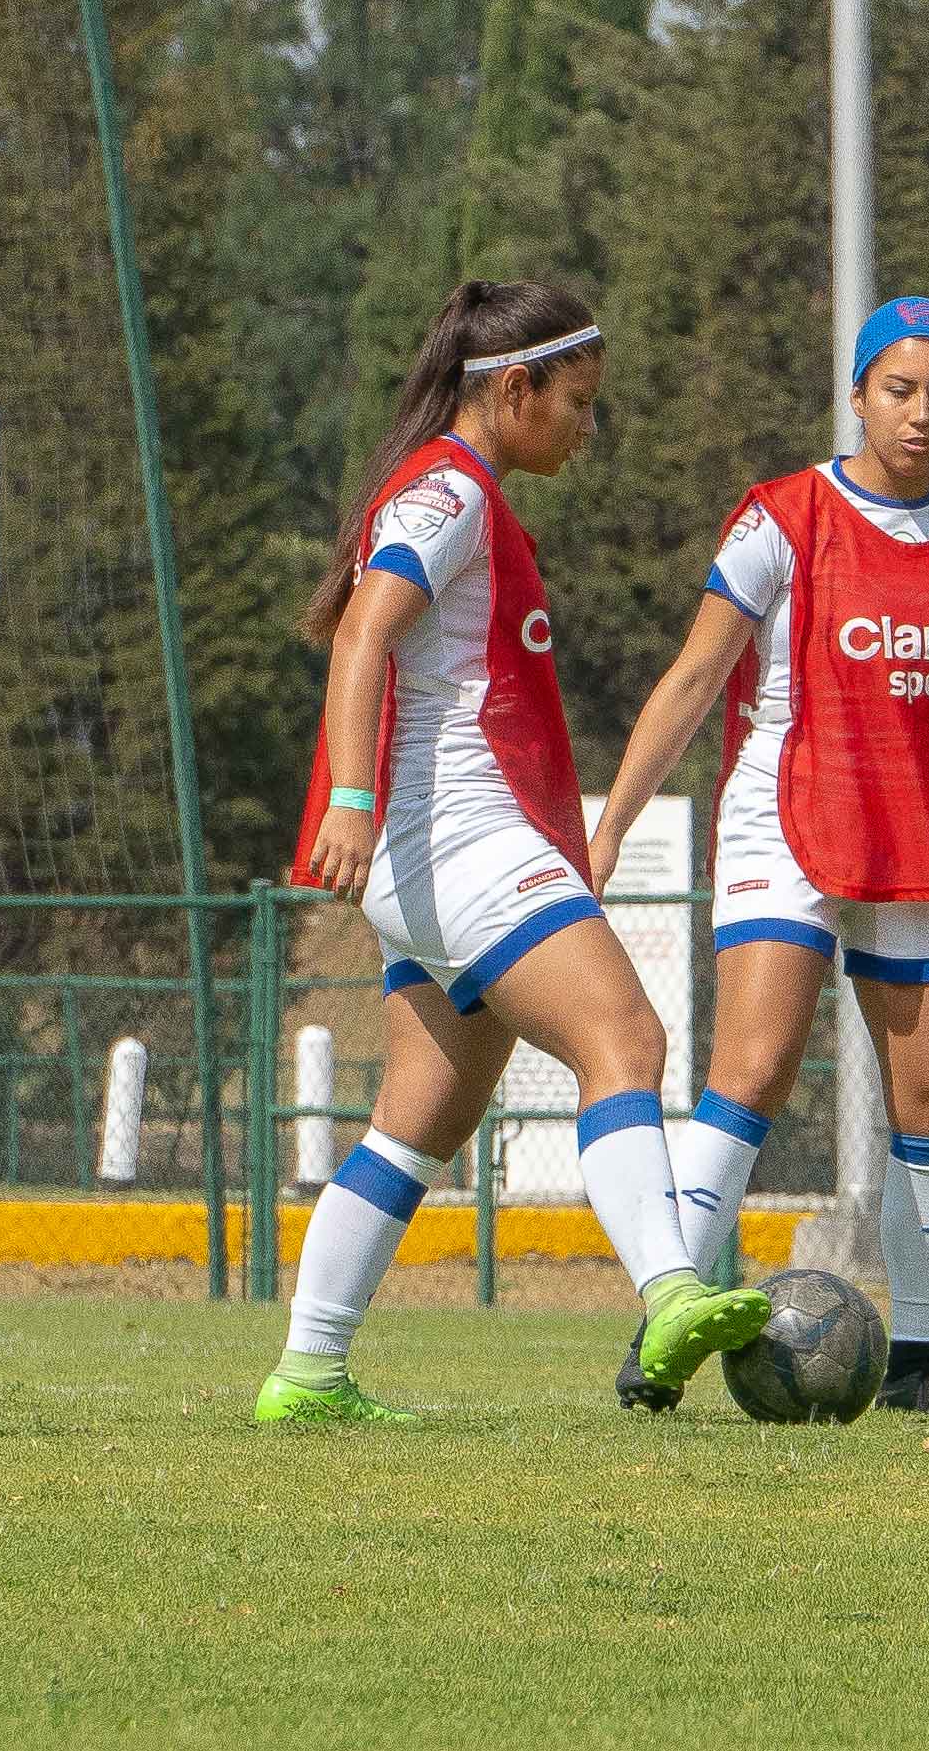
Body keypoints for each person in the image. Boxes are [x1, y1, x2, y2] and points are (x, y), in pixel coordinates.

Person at [259, 281, 771, 1426]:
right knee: (625, 1036)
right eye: (579, 404)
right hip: (457, 839)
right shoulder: (449, 490)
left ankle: (308, 1373)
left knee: (423, 1118)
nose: (590, 428)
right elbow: (362, 632)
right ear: (515, 389)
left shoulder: (461, 492)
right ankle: (672, 1286)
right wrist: (348, 797)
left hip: (434, 858)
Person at [590, 295, 929, 1417]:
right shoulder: (782, 518)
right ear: (858, 393)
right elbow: (692, 678)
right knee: (751, 1073)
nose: (919, 415)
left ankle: (914, 1361)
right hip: (790, 815)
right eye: (898, 391)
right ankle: (660, 1332)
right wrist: (612, 821)